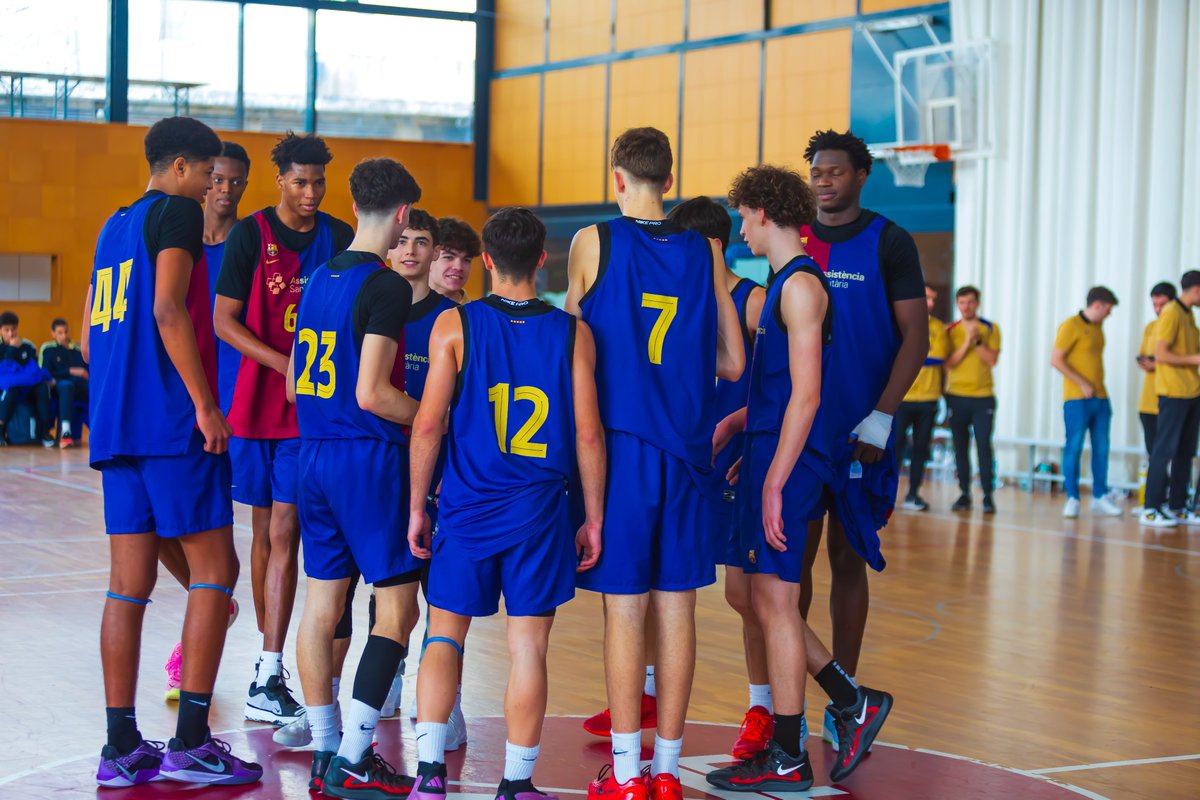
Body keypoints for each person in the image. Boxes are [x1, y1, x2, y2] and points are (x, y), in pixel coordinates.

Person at [566, 127, 744, 800]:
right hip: (688, 453)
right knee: (678, 611)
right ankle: (668, 772)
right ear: (669, 180)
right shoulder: (705, 250)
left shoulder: (594, 242)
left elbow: (572, 346)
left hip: (620, 451)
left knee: (624, 612)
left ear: (618, 180)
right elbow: (732, 361)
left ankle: (627, 774)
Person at [84, 116, 260, 787]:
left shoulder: (112, 226)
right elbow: (166, 310)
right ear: (182, 167)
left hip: (117, 425)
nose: (216, 184)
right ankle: (191, 740)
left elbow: (106, 328)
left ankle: (121, 745)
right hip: (169, 422)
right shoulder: (176, 214)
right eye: (211, 172)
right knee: (217, 569)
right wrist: (205, 403)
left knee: (127, 586)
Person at [704, 166, 892, 791]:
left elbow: (808, 397)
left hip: (798, 460)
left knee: (778, 604)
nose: (739, 229)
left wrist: (775, 479)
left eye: (742, 216)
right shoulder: (781, 282)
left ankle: (790, 752)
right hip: (769, 449)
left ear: (763, 211)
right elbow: (781, 389)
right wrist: (742, 426)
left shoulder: (802, 287)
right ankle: (845, 703)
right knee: (758, 598)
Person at [407, 206, 606, 800]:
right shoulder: (573, 332)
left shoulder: (454, 325)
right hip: (542, 515)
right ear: (541, 259)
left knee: (444, 636)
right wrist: (593, 517)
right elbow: (589, 434)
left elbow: (427, 425)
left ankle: (429, 775)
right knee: (528, 647)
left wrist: (417, 506)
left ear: (486, 260)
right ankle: (516, 783)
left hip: (466, 508)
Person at [288, 157, 424, 797]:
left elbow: (294, 382)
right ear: (403, 216)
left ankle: (322, 751)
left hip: (310, 454)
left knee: (321, 606)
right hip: (365, 459)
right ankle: (353, 758)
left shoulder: (315, 277)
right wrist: (432, 419)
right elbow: (373, 393)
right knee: (397, 608)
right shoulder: (387, 284)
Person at [214, 132, 354, 724]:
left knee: (288, 532)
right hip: (255, 407)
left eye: (319, 182)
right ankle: (264, 667)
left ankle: (272, 667)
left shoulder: (339, 238)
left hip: (310, 414)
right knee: (265, 531)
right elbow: (224, 321)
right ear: (280, 181)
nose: (311, 192)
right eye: (300, 182)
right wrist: (282, 361)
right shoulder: (251, 234)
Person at [798, 130, 927, 750]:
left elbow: (916, 338)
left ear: (860, 176)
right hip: (797, 431)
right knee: (787, 569)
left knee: (847, 562)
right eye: (816, 173)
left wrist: (881, 417)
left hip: (859, 435)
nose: (823, 181)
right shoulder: (793, 236)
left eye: (834, 173)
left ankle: (845, 695)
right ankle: (786, 700)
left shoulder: (890, 241)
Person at [667, 196, 770, 759]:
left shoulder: (751, 300)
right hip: (686, 459)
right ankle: (652, 695)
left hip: (735, 463)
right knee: (664, 587)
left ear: (705, 245)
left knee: (745, 595)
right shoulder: (683, 299)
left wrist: (737, 424)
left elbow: (783, 386)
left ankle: (764, 708)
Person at [1051, 287, 1123, 518]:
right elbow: (1056, 359)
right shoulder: (1070, 325)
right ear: (1098, 305)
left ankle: (1099, 496)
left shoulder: (1098, 328)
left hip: (1100, 397)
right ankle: (1072, 497)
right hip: (1076, 399)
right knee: (1074, 446)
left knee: (1101, 448)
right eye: (1108, 310)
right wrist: (1081, 382)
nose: (1109, 315)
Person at [1141, 270, 1200, 528]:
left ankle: (1176, 506)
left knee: (1185, 452)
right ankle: (1151, 509)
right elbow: (1161, 355)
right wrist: (1196, 360)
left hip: (1192, 392)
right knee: (1163, 451)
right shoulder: (1172, 313)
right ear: (1196, 290)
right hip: (1172, 393)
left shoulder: (1189, 315)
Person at [944, 286, 1001, 514]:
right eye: (962, 303)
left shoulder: (990, 328)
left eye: (970, 302)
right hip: (956, 396)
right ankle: (964, 493)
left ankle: (988, 495)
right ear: (958, 304)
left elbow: (992, 360)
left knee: (983, 446)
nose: (966, 307)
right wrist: (966, 343)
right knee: (960, 447)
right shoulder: (950, 330)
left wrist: (977, 342)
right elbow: (948, 363)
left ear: (977, 303)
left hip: (983, 397)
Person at [204, 141, 250, 416]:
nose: (226, 189)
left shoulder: (252, 244)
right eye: (218, 179)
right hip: (188, 373)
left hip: (234, 377)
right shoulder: (179, 246)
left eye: (236, 181)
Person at [896, 284, 950, 511]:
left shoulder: (939, 328)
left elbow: (939, 356)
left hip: (928, 398)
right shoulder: (899, 320)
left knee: (920, 449)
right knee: (892, 447)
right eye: (926, 297)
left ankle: (913, 494)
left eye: (933, 299)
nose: (930, 303)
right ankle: (883, 493)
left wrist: (911, 353)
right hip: (902, 395)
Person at [0, 311, 54, 447]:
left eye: (13, 329)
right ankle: (1, 432)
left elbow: (34, 370)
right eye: (7, 330)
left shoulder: (28, 345)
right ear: (0, 330)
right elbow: (5, 370)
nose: (11, 333)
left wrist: (20, 376)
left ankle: (45, 432)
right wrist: (12, 349)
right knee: (10, 388)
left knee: (42, 387)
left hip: (27, 385)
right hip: (8, 386)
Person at [1137, 282, 1176, 456]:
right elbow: (1144, 355)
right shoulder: (1150, 328)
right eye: (1155, 304)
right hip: (1148, 403)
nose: (1158, 309)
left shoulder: (1182, 327)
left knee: (1173, 454)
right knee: (1153, 453)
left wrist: (1158, 363)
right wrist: (1147, 363)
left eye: (1162, 304)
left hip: (1171, 400)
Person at [40, 318, 89, 447]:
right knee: (67, 386)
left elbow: (86, 372)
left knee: (93, 389)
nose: (64, 335)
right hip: (57, 385)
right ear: (53, 333)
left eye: (66, 331)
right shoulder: (48, 350)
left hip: (78, 386)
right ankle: (65, 432)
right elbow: (46, 373)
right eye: (60, 332)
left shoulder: (77, 351)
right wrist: (70, 371)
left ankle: (103, 429)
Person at [429, 216, 480, 304]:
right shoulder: (404, 308)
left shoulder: (477, 315)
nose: (458, 267)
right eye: (449, 257)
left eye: (466, 260)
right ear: (428, 258)